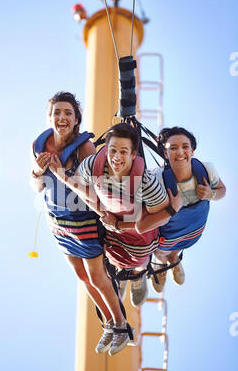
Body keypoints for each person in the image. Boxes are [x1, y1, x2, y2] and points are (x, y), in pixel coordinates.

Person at [49, 123, 184, 351]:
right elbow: (87, 191)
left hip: (139, 236)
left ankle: (139, 276)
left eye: (123, 152)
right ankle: (121, 285)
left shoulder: (145, 183)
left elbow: (158, 218)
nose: (116, 157)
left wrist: (124, 223)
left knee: (138, 263)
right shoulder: (93, 165)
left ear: (133, 154)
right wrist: (60, 176)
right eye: (112, 150)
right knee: (113, 263)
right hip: (113, 233)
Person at [30, 92, 133, 356]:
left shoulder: (85, 149)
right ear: (49, 117)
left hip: (83, 220)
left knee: (98, 276)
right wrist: (37, 171)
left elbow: (98, 188)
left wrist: (62, 174)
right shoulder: (38, 146)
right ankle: (109, 324)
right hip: (57, 221)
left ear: (76, 120)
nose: (61, 117)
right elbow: (36, 186)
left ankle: (121, 325)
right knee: (81, 276)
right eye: (57, 112)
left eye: (68, 113)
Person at [149, 126, 226, 292]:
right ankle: (162, 264)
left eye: (185, 147)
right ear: (165, 154)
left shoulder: (206, 170)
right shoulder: (157, 179)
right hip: (169, 231)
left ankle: (174, 260)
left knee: (176, 249)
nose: (180, 152)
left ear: (192, 151)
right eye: (173, 148)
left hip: (194, 229)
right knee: (159, 251)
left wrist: (210, 194)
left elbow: (222, 191)